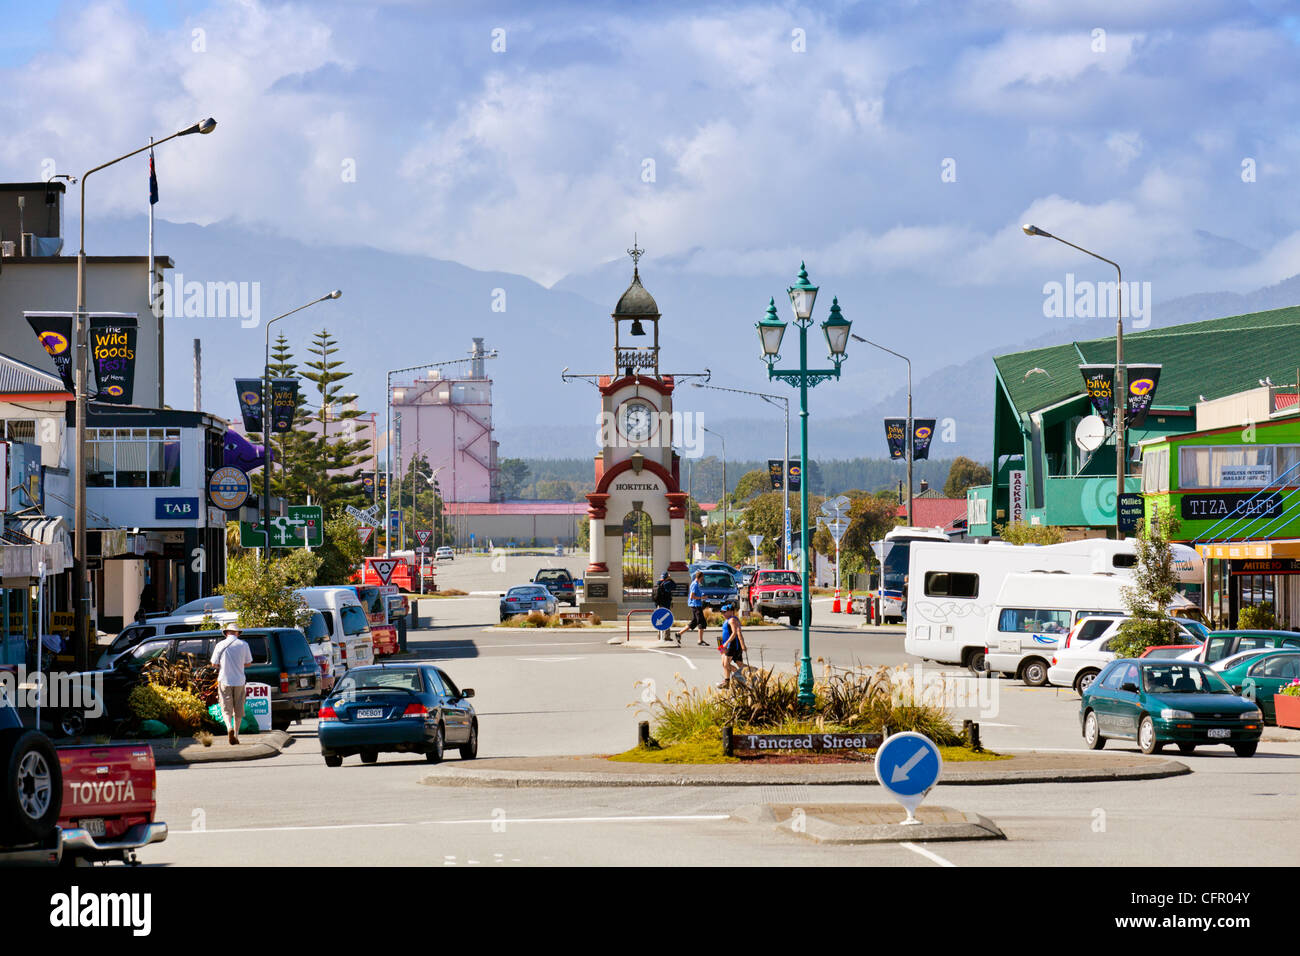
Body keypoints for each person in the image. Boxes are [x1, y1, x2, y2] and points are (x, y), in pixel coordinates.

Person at [211, 624, 253, 745]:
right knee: (238, 709)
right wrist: (239, 664)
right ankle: (236, 734)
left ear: (226, 633)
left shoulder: (220, 645)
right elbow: (248, 663)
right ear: (237, 633)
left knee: (226, 708)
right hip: (239, 680)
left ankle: (229, 727)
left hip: (224, 680)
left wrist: (222, 665)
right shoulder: (243, 645)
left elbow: (213, 663)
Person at [717, 603, 747, 688]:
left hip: (732, 645)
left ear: (730, 611)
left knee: (726, 664)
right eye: (722, 612)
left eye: (724, 612)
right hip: (726, 645)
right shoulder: (728, 620)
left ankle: (739, 677)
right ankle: (729, 681)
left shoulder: (732, 620)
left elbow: (735, 633)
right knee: (738, 664)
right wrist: (721, 645)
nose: (723, 614)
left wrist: (727, 643)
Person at [675, 570, 709, 646]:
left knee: (694, 622)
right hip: (695, 605)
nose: (702, 579)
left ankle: (679, 633)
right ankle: (700, 640)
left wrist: (702, 596)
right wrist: (702, 597)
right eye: (702, 578)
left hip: (697, 605)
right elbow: (692, 596)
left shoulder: (696, 584)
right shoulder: (695, 584)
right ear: (699, 577)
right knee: (701, 622)